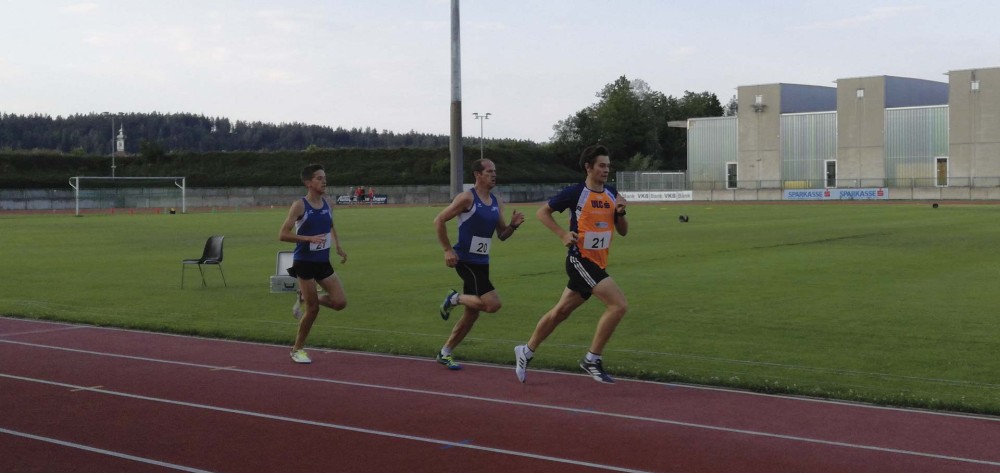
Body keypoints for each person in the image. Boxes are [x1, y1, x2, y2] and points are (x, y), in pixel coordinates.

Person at [514, 145, 629, 384]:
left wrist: (620, 212)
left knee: (561, 311)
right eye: (601, 165)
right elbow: (542, 212)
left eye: (608, 165)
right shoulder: (576, 192)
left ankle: (526, 350)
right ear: (588, 167)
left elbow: (623, 231)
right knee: (618, 305)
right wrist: (562, 234)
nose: (606, 170)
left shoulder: (611, 193)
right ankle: (592, 359)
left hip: (598, 261)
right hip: (580, 259)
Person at [434, 159, 525, 370]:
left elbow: (501, 235)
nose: (494, 175)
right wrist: (447, 249)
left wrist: (513, 226)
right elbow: (438, 220)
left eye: (495, 171)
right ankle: (453, 298)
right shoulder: (467, 198)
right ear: (477, 174)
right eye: (489, 171)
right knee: (493, 305)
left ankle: (444, 352)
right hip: (464, 260)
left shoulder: (495, 201)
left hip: (482, 262)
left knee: (472, 313)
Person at [279, 164, 348, 364]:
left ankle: (308, 296)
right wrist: (308, 239)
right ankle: (297, 349)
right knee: (313, 309)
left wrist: (338, 246)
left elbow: (330, 225)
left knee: (340, 302)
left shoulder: (328, 202)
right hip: (304, 262)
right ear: (308, 182)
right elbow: (282, 234)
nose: (324, 181)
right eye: (319, 178)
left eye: (324, 177)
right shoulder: (300, 205)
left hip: (322, 261)